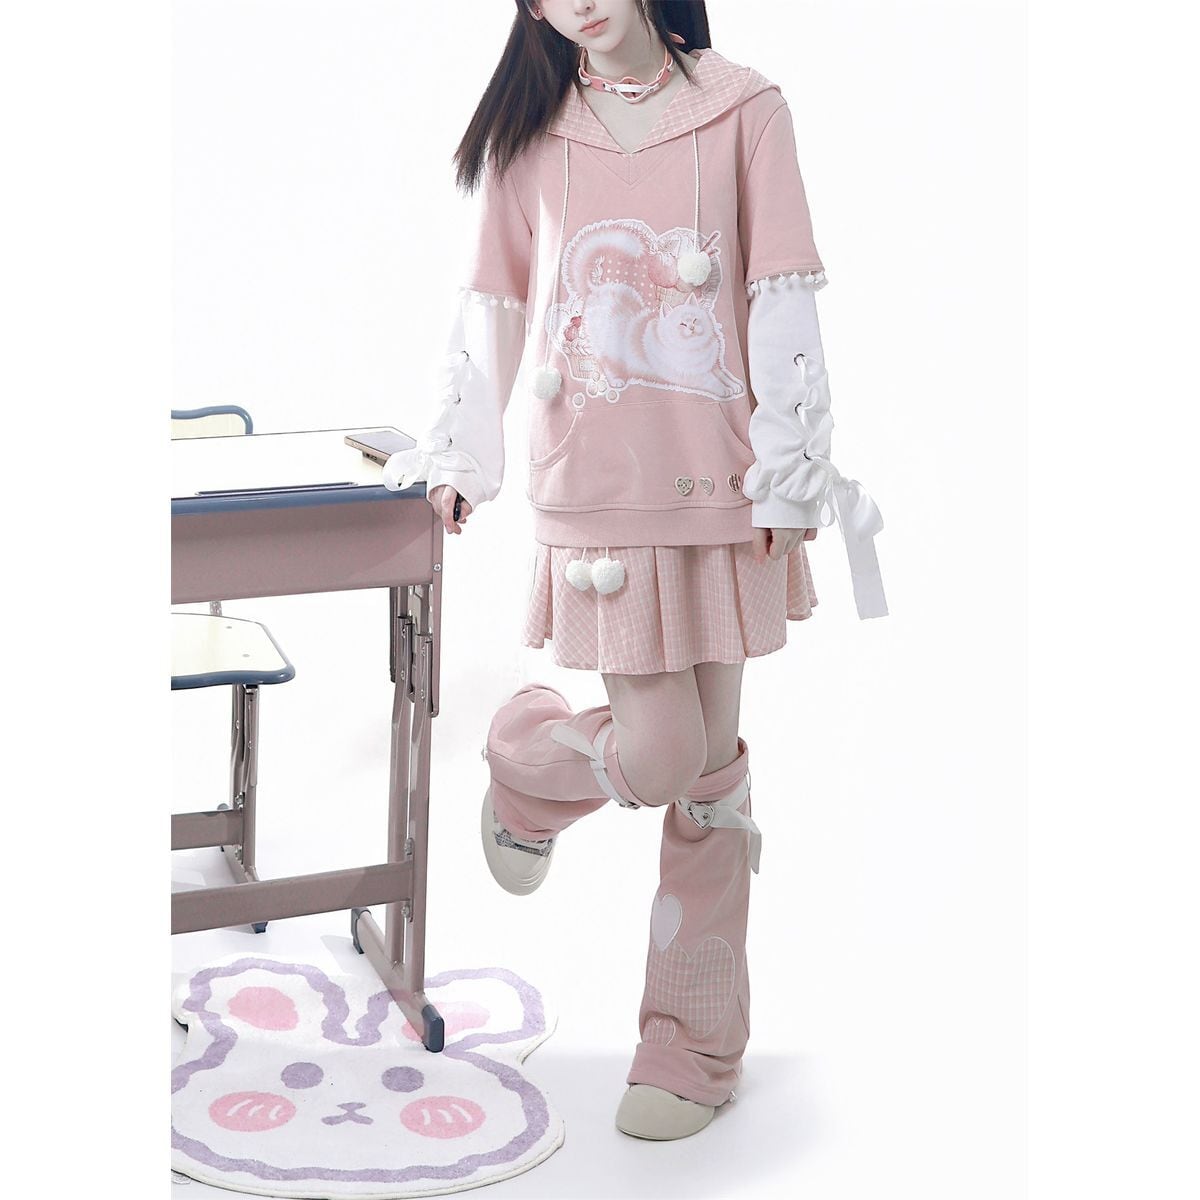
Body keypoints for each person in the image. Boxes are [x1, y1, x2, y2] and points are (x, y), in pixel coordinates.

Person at [383, 0, 886, 1141]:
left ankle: (693, 1045)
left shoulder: (745, 110)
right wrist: (462, 459)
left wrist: (790, 475)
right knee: (662, 757)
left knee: (713, 777)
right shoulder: (530, 134)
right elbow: (495, 308)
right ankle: (527, 759)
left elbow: (781, 294)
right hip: (598, 490)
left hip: (724, 488)